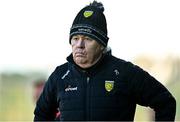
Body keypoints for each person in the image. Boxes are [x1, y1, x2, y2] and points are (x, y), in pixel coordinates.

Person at [34, 1, 176, 121]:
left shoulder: (124, 73)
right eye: (75, 38)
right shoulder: (60, 76)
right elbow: (41, 115)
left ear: (102, 45)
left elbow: (165, 102)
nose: (79, 45)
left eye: (88, 39)